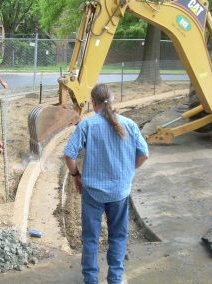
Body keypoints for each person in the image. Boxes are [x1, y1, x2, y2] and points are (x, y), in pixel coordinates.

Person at [63, 84, 149, 284]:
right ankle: (115, 279)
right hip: (120, 192)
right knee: (118, 236)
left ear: (93, 104)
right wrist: (128, 171)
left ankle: (91, 279)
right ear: (113, 100)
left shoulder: (87, 125)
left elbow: (69, 154)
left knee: (91, 238)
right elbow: (144, 154)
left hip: (92, 192)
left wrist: (76, 175)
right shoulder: (129, 125)